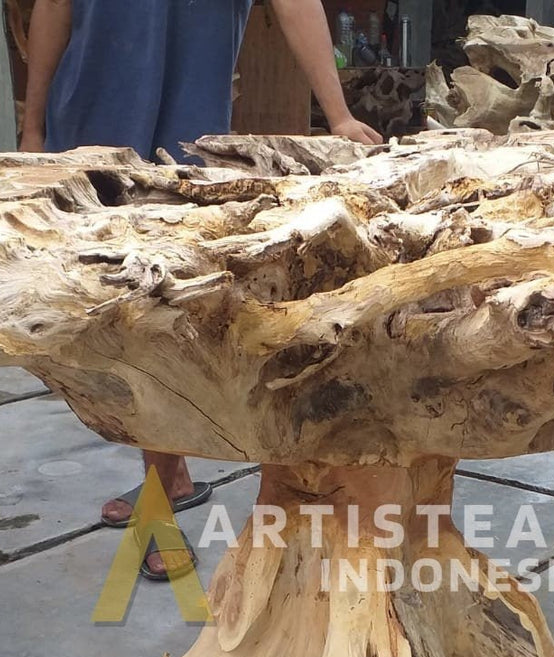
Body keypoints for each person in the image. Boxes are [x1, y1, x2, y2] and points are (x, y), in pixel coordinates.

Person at [20, 0, 382, 578]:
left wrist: (336, 114)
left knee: (157, 325)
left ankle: (160, 503)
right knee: (112, 327)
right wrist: (34, 126)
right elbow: (54, 9)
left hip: (178, 150)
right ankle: (172, 475)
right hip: (84, 137)